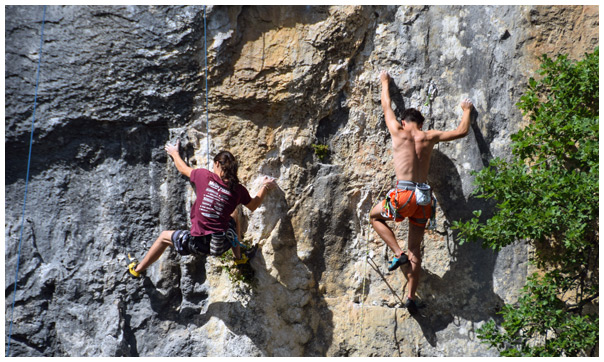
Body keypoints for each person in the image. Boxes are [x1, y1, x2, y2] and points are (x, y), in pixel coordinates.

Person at [369, 70, 474, 313]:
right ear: (422, 124)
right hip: (423, 199)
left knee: (375, 217)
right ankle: (411, 297)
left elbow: (386, 104)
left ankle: (397, 254)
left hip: (403, 195)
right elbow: (461, 131)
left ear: (404, 122)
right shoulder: (430, 136)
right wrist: (466, 110)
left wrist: (385, 81)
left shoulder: (398, 130)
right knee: (416, 248)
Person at [128, 141, 277, 278]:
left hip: (197, 244)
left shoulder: (203, 175)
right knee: (234, 213)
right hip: (220, 244)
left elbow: (183, 168)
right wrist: (265, 186)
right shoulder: (238, 190)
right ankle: (238, 258)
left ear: (217, 164)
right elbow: (253, 205)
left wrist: (174, 153)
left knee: (164, 237)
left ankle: (137, 270)